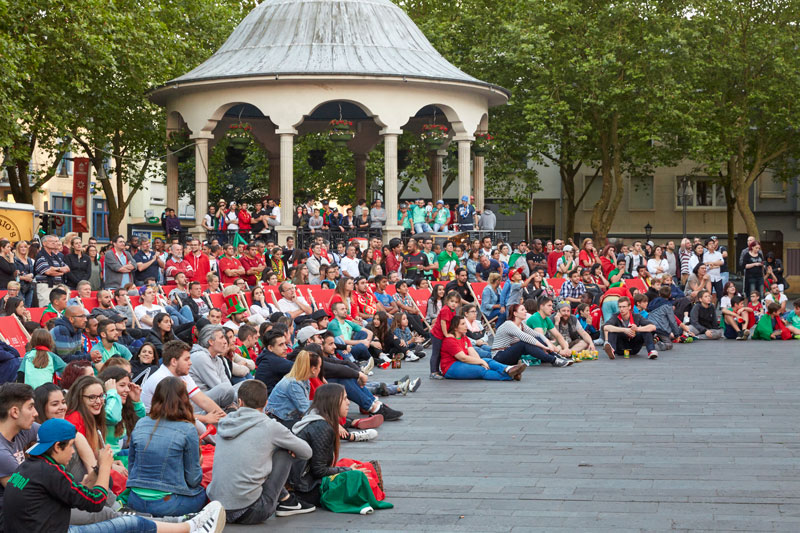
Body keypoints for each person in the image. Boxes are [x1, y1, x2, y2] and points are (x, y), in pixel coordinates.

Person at [207, 380, 315, 524]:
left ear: (239, 402)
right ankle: (288, 502)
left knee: (260, 452)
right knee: (283, 451)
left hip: (218, 508)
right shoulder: (270, 426)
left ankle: (287, 498)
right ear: (265, 403)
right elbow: (307, 452)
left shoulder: (225, 423)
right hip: (251, 511)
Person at [127, 377, 208, 517]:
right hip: (168, 503)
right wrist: (198, 463)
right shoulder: (187, 429)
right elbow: (194, 480)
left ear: (156, 397)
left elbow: (132, 466)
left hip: (135, 500)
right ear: (184, 399)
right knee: (204, 494)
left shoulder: (141, 423)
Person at [141, 340, 227, 427]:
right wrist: (205, 418)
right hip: (153, 423)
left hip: (172, 418)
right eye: (186, 359)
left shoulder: (182, 373)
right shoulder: (161, 379)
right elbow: (174, 415)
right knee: (197, 424)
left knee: (213, 415)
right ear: (174, 361)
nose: (190, 363)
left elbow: (203, 400)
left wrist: (226, 420)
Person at [0, 383, 39, 530]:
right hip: (12, 521)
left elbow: (57, 433)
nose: (36, 413)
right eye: (30, 407)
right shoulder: (1, 453)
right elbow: (23, 489)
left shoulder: (21, 431)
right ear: (15, 412)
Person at [439, 315, 525, 380]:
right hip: (451, 367)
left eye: (465, 323)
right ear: (455, 327)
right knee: (481, 370)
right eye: (463, 324)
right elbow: (463, 358)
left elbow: (472, 352)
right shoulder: (450, 340)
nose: (466, 326)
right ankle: (510, 376)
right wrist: (480, 362)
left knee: (488, 361)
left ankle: (508, 369)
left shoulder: (464, 337)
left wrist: (481, 361)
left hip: (461, 362)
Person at [491, 304, 572, 367]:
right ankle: (554, 360)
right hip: (499, 356)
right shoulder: (509, 324)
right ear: (515, 313)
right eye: (522, 310)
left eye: (525, 309)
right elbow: (526, 337)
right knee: (524, 343)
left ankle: (556, 356)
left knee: (536, 338)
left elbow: (537, 335)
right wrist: (545, 347)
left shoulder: (521, 325)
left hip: (511, 355)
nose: (525, 311)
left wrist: (548, 343)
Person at [267, 350, 322, 427]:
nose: (320, 369)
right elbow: (306, 411)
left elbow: (305, 404)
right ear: (313, 369)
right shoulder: (294, 383)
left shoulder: (302, 380)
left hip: (286, 418)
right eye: (319, 367)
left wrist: (323, 404)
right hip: (280, 422)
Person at [429, 290, 462, 379]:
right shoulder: (445, 310)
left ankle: (437, 370)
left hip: (442, 334)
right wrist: (446, 334)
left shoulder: (453, 310)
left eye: (456, 302)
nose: (453, 304)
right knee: (435, 353)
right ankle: (433, 372)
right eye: (452, 301)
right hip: (437, 334)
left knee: (440, 353)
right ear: (447, 301)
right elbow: (443, 323)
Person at [34, 234, 70, 307]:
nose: (54, 243)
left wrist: (55, 269)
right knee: (46, 306)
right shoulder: (41, 256)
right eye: (51, 241)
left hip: (56, 286)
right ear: (44, 243)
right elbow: (48, 272)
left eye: (55, 241)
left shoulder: (55, 256)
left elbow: (67, 268)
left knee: (57, 307)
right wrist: (60, 270)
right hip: (45, 287)